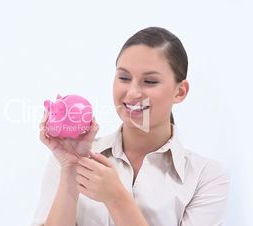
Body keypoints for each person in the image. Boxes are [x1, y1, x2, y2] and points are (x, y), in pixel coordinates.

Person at [32, 27, 230, 226]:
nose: (133, 92)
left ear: (180, 92)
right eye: (124, 78)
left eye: (150, 81)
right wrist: (70, 169)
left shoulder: (206, 177)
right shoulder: (71, 157)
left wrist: (117, 198)